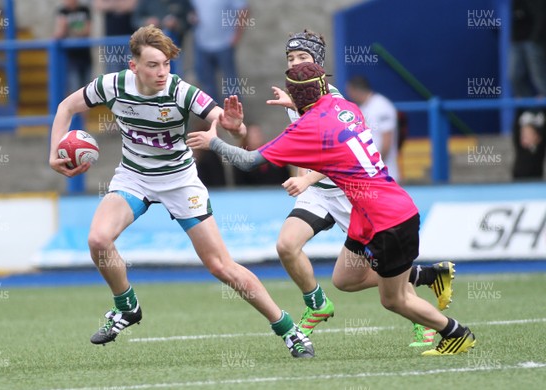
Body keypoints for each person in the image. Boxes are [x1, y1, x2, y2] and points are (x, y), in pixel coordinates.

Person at [48, 25, 314, 358]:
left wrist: (236, 127)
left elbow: (232, 127)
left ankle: (288, 329)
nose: (162, 72)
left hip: (180, 181)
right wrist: (54, 150)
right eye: (152, 65)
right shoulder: (112, 85)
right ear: (134, 67)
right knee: (98, 240)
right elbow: (66, 107)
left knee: (220, 266)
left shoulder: (180, 92)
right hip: (134, 177)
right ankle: (126, 307)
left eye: (166, 64)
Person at [187, 62, 477, 356]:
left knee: (394, 300)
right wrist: (300, 103)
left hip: (385, 219)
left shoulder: (307, 128)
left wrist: (213, 143)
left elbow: (249, 161)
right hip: (373, 212)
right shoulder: (346, 106)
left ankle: (455, 333)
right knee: (345, 279)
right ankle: (427, 276)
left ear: (296, 95)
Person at [264, 29, 454, 347]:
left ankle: (425, 319)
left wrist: (305, 178)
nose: (295, 64)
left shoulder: (334, 101)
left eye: (303, 58)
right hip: (318, 194)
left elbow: (334, 154)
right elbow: (303, 144)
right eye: (290, 58)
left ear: (319, 65)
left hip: (351, 194)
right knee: (286, 246)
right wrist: (304, 180)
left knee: (377, 268)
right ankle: (318, 304)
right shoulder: (295, 94)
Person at [190, 0, 249, 103]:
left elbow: (243, 10)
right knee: (207, 81)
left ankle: (235, 112)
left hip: (224, 44)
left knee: (230, 80)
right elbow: (190, 9)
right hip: (202, 44)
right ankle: (212, 113)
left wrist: (237, 36)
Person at [346, 75, 400, 181]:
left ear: (355, 90)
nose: (348, 95)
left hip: (385, 173)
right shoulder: (361, 108)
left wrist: (377, 167)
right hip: (370, 173)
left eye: (349, 91)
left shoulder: (381, 106)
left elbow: (387, 141)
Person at [132, 0, 195, 74]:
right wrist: (146, 22)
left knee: (177, 75)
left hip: (178, 47)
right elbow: (135, 20)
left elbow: (190, 21)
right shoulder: (146, 2)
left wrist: (177, 24)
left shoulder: (182, 2)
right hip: (150, 46)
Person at [508, 0, 546, 98]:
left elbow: (541, 16)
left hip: (533, 41)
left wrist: (534, 38)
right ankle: (533, 110)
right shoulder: (508, 3)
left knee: (538, 78)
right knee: (514, 76)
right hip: (516, 42)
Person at [53, 0, 92, 94]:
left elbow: (87, 31)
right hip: (70, 58)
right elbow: (58, 34)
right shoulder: (62, 11)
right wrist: (63, 28)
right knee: (74, 88)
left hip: (85, 56)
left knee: (88, 91)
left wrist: (69, 28)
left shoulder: (84, 10)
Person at [94, 0, 138, 72]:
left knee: (131, 70)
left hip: (130, 38)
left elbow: (132, 5)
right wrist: (120, 5)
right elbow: (98, 5)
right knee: (112, 72)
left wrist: (110, 4)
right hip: (111, 40)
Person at [512, 108, 546, 179]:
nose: (526, 137)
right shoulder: (520, 146)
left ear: (537, 137)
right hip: (519, 177)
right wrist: (519, 107)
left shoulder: (540, 146)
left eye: (530, 134)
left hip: (537, 178)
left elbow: (543, 131)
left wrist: (543, 107)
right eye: (524, 136)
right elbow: (516, 128)